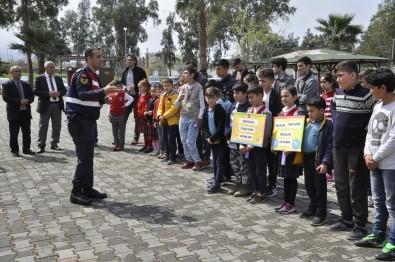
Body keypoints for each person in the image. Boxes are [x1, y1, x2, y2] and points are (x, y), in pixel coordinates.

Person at [65, 47, 119, 205]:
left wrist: (103, 99)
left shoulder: (93, 76)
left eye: (101, 56)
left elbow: (90, 96)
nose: (101, 59)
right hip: (79, 121)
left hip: (88, 120)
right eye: (98, 57)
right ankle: (75, 192)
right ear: (89, 58)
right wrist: (104, 90)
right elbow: (82, 94)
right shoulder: (83, 74)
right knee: (85, 158)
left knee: (88, 158)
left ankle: (87, 188)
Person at [329, 60, 375, 240]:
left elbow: (377, 111)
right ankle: (346, 219)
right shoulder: (337, 94)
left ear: (353, 75)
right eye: (337, 76)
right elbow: (333, 107)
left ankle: (360, 225)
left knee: (356, 186)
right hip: (338, 145)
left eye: (341, 76)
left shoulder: (367, 95)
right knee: (340, 183)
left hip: (356, 147)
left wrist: (367, 125)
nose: (338, 79)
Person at [355, 68, 395, 261]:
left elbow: (394, 138)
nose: (370, 91)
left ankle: (393, 243)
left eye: (372, 88)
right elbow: (370, 133)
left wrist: (376, 157)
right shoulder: (377, 106)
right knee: (379, 202)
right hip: (374, 162)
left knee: (392, 205)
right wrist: (367, 154)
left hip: (390, 165)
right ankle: (378, 234)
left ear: (384, 87)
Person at [300, 96, 333, 226]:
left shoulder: (328, 126)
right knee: (309, 185)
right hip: (307, 158)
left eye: (312, 111)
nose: (309, 113)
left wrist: (325, 162)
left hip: (318, 159)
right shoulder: (308, 122)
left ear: (321, 111)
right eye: (308, 111)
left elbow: (329, 146)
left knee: (320, 188)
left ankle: (321, 213)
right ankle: (312, 207)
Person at [240, 85, 272, 204]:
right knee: (251, 170)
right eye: (249, 98)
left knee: (260, 171)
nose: (250, 100)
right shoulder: (249, 111)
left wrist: (254, 144)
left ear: (260, 96)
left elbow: (266, 133)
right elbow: (244, 130)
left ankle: (262, 193)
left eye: (252, 97)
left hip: (259, 148)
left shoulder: (266, 113)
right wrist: (242, 144)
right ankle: (256, 190)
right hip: (248, 147)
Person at [274, 85, 301, 214]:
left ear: (294, 97)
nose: (283, 98)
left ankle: (291, 203)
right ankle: (286, 201)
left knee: (291, 178)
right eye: (282, 96)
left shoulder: (298, 113)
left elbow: (299, 133)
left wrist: (291, 148)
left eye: (287, 96)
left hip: (292, 152)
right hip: (282, 150)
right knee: (285, 178)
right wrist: (275, 144)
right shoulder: (281, 111)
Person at [258, 69, 282, 197]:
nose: (261, 83)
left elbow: (278, 115)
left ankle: (272, 184)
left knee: (271, 159)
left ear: (272, 81)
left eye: (264, 81)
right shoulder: (258, 93)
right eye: (260, 80)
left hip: (272, 131)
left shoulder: (276, 96)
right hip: (259, 132)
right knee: (261, 159)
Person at [176, 66, 205, 171]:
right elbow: (176, 105)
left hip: (194, 118)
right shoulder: (183, 88)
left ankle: (198, 161)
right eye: (183, 73)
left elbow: (202, 105)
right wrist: (179, 99)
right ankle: (189, 160)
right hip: (183, 117)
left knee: (190, 141)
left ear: (192, 75)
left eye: (186, 73)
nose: (184, 75)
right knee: (183, 140)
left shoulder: (199, 87)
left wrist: (200, 118)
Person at [225, 82, 252, 197]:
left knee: (244, 165)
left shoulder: (248, 108)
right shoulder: (233, 105)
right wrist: (227, 135)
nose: (235, 95)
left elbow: (247, 127)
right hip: (232, 141)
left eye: (238, 93)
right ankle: (238, 182)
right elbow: (227, 121)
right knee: (234, 163)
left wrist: (242, 143)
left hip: (242, 143)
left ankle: (246, 186)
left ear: (245, 94)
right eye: (234, 93)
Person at [34, 61, 67, 154]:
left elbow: (64, 90)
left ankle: (54, 143)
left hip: (57, 105)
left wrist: (59, 93)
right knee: (43, 126)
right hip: (45, 105)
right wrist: (48, 94)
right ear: (45, 68)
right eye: (51, 67)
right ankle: (41, 145)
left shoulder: (58, 78)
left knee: (57, 126)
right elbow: (35, 91)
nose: (53, 69)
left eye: (53, 67)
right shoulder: (39, 78)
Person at [2, 66, 35, 157]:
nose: (18, 73)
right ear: (11, 73)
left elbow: (32, 96)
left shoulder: (26, 84)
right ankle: (14, 150)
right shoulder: (7, 84)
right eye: (16, 71)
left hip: (25, 112)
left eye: (20, 71)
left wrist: (28, 100)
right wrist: (19, 101)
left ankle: (26, 149)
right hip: (14, 113)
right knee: (14, 133)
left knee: (27, 132)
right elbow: (5, 97)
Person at [202, 87, 227, 194]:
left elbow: (221, 127)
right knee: (215, 160)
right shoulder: (205, 111)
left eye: (213, 98)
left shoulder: (220, 109)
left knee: (219, 161)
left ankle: (217, 183)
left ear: (217, 98)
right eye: (208, 98)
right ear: (205, 98)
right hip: (211, 141)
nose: (211, 100)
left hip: (220, 140)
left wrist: (214, 138)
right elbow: (204, 127)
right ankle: (216, 178)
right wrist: (208, 137)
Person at [120, 54, 147, 145]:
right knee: (123, 117)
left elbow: (145, 83)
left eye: (130, 60)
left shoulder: (140, 71)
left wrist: (135, 87)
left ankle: (136, 138)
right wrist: (123, 86)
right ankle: (120, 137)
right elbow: (122, 82)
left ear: (135, 61)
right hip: (127, 97)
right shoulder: (124, 71)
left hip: (137, 98)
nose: (128, 61)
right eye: (127, 60)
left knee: (137, 118)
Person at [157, 78, 182, 165]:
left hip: (173, 121)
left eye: (168, 85)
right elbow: (160, 107)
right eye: (165, 86)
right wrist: (159, 115)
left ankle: (173, 157)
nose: (166, 87)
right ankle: (167, 155)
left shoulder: (176, 95)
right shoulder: (163, 95)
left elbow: (174, 108)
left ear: (172, 86)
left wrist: (164, 116)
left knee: (171, 140)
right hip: (164, 121)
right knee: (165, 139)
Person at [106, 80, 134, 151]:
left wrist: (125, 105)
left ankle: (121, 146)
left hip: (121, 115)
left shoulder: (123, 93)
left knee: (121, 131)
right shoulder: (111, 94)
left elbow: (131, 99)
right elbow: (109, 105)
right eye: (115, 86)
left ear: (121, 86)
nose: (117, 88)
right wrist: (108, 114)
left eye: (118, 86)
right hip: (113, 115)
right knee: (114, 131)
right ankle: (116, 144)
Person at [320, 72, 337, 182]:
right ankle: (326, 170)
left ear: (331, 83)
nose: (322, 84)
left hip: (333, 125)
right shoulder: (321, 95)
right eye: (321, 82)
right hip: (323, 124)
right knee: (324, 147)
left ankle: (331, 171)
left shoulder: (336, 95)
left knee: (331, 148)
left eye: (324, 82)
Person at [136, 79, 153, 153]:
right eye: (139, 87)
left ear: (145, 87)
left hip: (145, 116)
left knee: (148, 132)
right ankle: (145, 145)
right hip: (140, 116)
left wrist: (143, 113)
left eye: (141, 87)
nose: (139, 88)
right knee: (144, 132)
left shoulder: (148, 96)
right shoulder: (141, 95)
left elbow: (147, 106)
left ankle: (150, 145)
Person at [144, 84, 160, 155]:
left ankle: (158, 149)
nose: (152, 93)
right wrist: (145, 112)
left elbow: (158, 110)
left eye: (154, 91)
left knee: (156, 137)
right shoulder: (150, 100)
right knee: (152, 137)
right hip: (149, 120)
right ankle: (154, 148)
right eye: (151, 91)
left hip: (155, 120)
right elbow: (146, 107)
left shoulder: (158, 100)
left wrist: (152, 112)